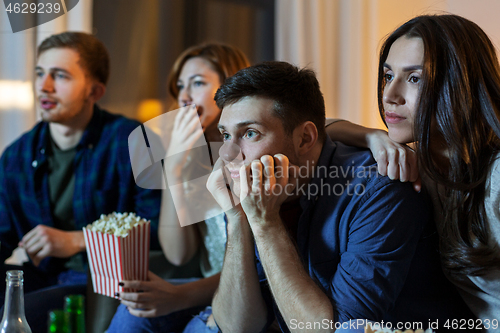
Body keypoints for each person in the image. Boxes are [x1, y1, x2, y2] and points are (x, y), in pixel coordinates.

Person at [207, 61, 475, 332]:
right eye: (226, 135)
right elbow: (237, 327)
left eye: (250, 133)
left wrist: (265, 223)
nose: (228, 155)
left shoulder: (380, 191)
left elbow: (335, 330)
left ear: (304, 139)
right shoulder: (263, 194)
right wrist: (236, 217)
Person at [328, 14, 500, 331]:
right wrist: (371, 136)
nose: (390, 95)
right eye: (387, 75)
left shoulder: (496, 177)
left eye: (414, 78)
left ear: (459, 83)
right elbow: (321, 128)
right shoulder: (421, 162)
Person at [0, 32, 162, 330]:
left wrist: (77, 239)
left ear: (94, 91)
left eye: (59, 76)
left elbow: (157, 226)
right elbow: (2, 234)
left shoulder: (134, 141)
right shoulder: (17, 154)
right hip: (40, 277)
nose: (44, 86)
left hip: (103, 283)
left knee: (28, 314)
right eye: (40, 73)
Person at [107, 43, 250, 333]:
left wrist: (178, 296)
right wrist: (173, 170)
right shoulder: (194, 159)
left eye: (197, 83)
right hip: (209, 291)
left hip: (250, 293)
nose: (184, 96)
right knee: (131, 313)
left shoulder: (253, 148)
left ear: (231, 85)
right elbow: (178, 255)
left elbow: (321, 126)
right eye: (180, 87)